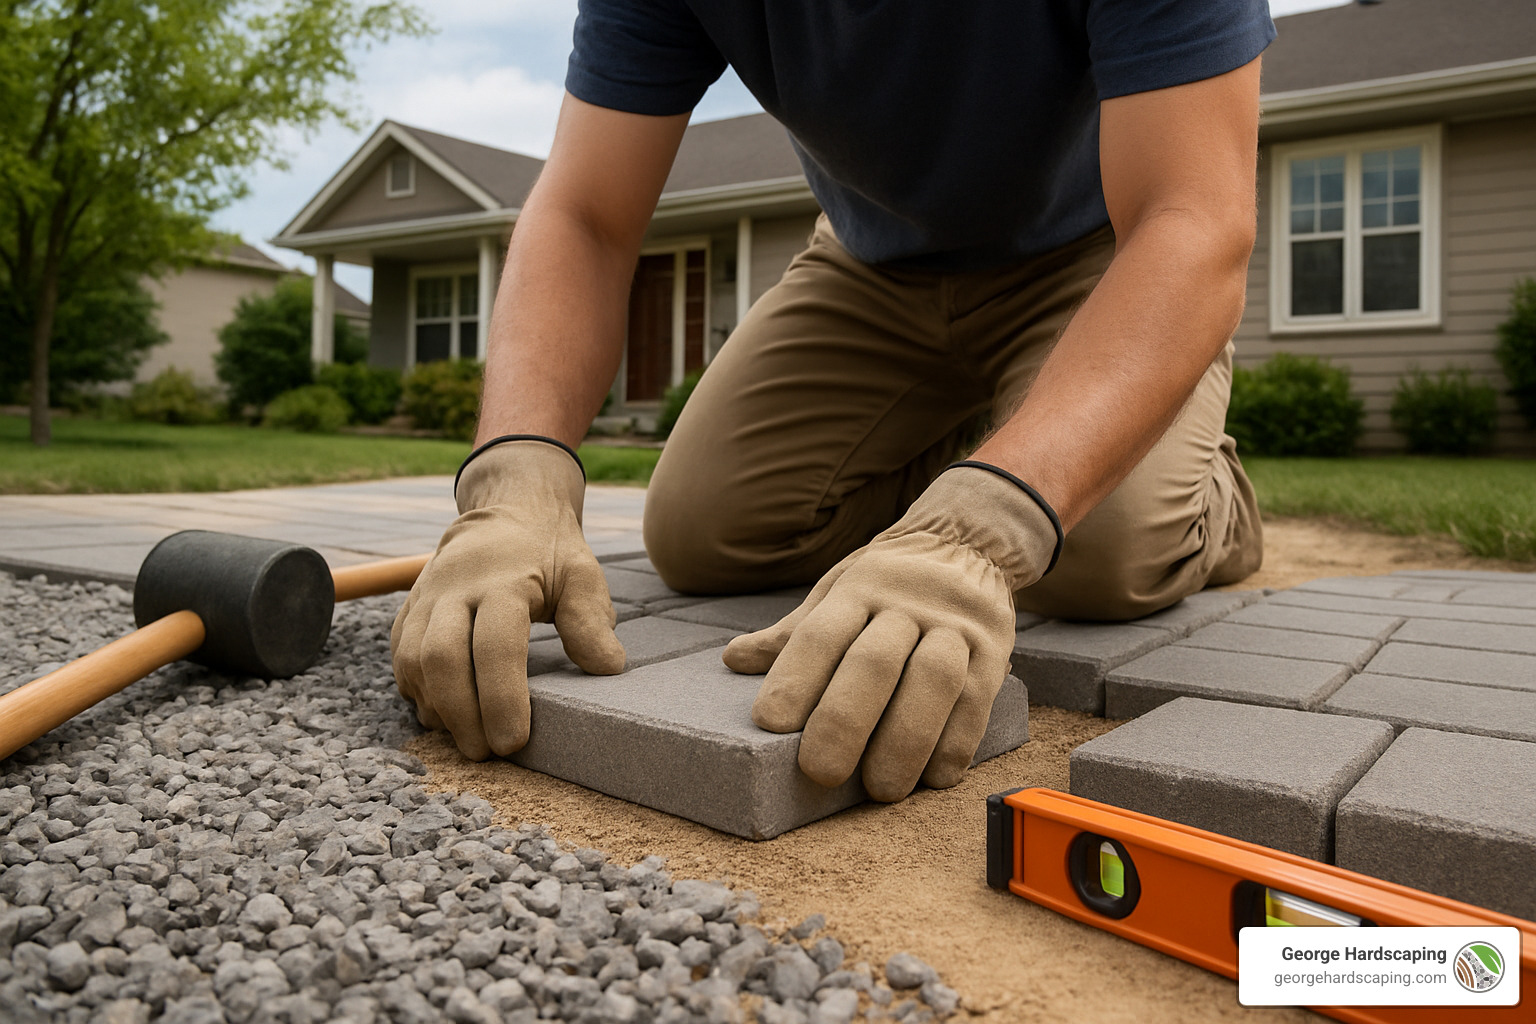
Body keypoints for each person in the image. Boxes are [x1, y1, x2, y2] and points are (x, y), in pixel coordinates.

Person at [391, 0, 1275, 802]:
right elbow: (586, 211)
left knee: (1099, 553)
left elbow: (1189, 217)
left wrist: (977, 532)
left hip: (1105, 252)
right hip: (869, 265)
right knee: (703, 533)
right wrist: (514, 481)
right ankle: (1004, 443)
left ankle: (1199, 492)